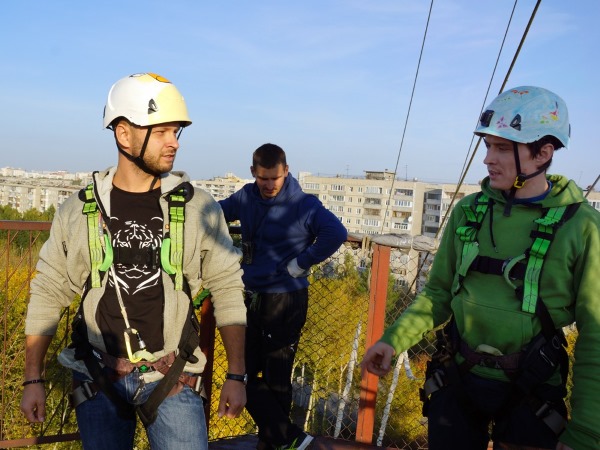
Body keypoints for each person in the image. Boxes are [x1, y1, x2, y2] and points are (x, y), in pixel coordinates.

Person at [361, 86, 600, 450]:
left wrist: (585, 433)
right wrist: (394, 340)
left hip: (533, 391)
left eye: (503, 147)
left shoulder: (581, 226)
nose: (488, 159)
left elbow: (596, 334)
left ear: (543, 152)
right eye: (488, 145)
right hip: (459, 379)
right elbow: (437, 294)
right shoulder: (470, 212)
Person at [20, 73, 248, 450]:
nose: (174, 142)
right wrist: (33, 380)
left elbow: (227, 286)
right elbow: (49, 290)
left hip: (174, 377)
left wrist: (236, 374)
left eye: (176, 132)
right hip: (99, 376)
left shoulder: (197, 207)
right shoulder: (79, 211)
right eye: (161, 132)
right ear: (124, 135)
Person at [219, 143, 347, 450]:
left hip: (286, 299)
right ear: (253, 173)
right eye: (263, 178)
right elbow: (216, 213)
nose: (268, 185)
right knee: (242, 371)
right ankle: (287, 437)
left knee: (277, 373)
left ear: (285, 171)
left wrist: (302, 262)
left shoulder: (303, 204)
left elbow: (336, 233)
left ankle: (273, 440)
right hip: (250, 296)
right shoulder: (246, 196)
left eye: (274, 178)